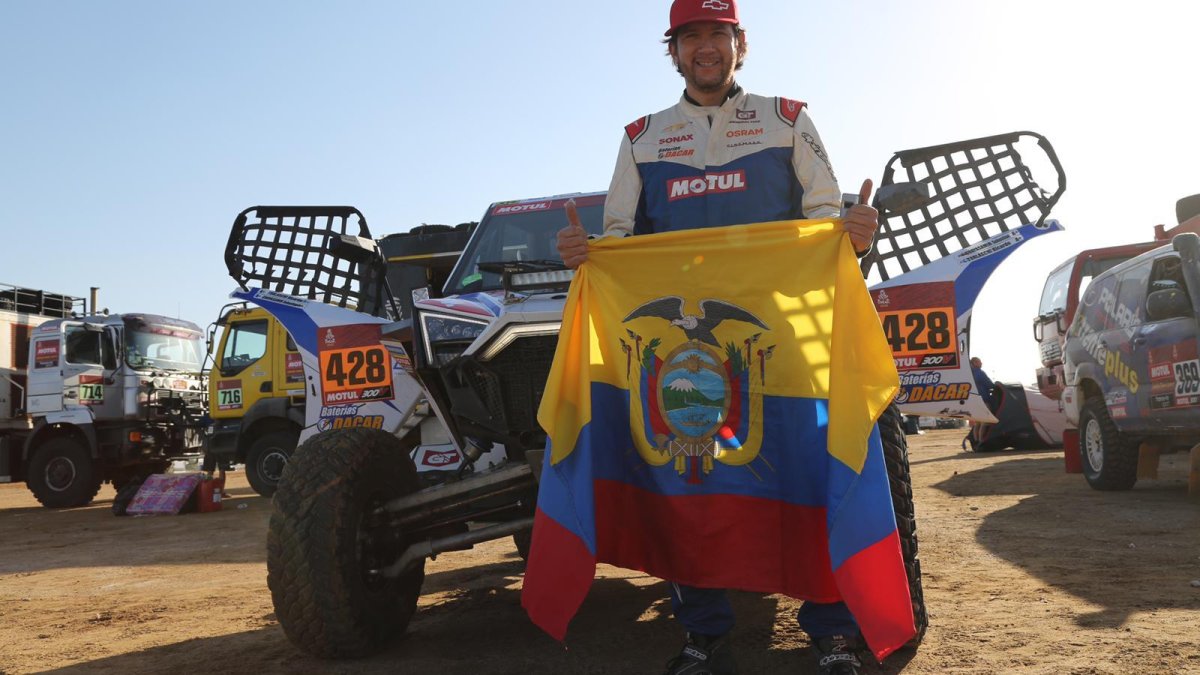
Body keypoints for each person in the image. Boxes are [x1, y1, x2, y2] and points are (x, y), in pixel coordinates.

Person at [555, 2, 880, 673]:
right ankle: (703, 632)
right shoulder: (642, 138)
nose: (706, 48)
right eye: (692, 37)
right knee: (687, 492)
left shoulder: (787, 119)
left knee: (810, 479)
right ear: (673, 51)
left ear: (741, 44)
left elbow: (826, 225)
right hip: (683, 359)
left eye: (718, 35)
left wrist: (852, 238)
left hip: (783, 349)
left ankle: (832, 633)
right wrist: (585, 254)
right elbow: (616, 243)